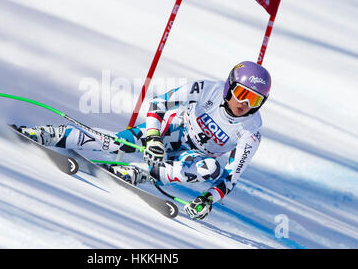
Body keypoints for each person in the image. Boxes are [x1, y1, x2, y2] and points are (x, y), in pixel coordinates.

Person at [18, 61, 271, 220]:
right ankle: (53, 134)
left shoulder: (251, 132)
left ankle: (140, 173)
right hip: (171, 131)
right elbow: (159, 103)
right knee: (118, 143)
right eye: (241, 93)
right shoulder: (208, 89)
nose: (244, 104)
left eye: (254, 101)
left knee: (211, 168)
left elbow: (229, 178)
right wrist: (152, 137)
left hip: (192, 157)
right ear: (229, 87)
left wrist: (207, 200)